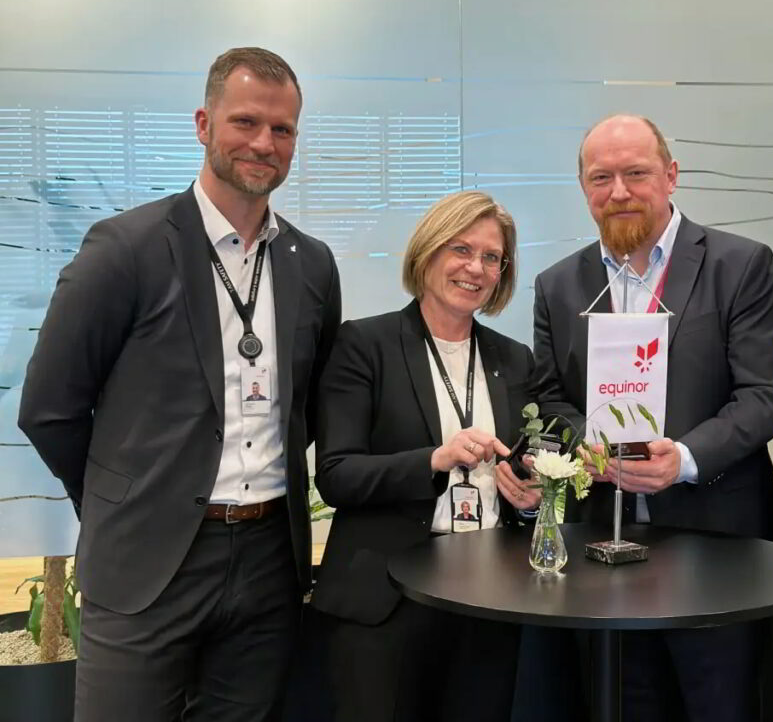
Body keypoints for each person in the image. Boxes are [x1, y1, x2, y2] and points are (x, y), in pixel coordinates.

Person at [18, 47, 342, 721]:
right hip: (146, 558)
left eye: (282, 130)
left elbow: (308, 404)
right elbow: (50, 408)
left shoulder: (310, 264)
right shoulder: (126, 249)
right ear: (203, 123)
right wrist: (122, 501)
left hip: (267, 562)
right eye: (246, 121)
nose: (264, 143)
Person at [532, 114, 773, 721]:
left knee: (720, 706)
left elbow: (765, 393)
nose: (619, 191)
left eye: (636, 173)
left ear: (671, 176)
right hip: (602, 548)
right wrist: (587, 445)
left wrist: (686, 459)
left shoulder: (740, 265)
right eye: (601, 177)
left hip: (718, 550)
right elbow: (549, 400)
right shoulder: (557, 286)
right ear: (584, 188)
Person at [311, 190, 540, 722]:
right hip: (386, 600)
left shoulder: (515, 359)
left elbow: (527, 471)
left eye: (491, 257)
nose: (475, 268)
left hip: (490, 599)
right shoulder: (364, 345)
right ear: (428, 252)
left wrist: (529, 498)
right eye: (461, 249)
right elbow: (337, 476)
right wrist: (433, 460)